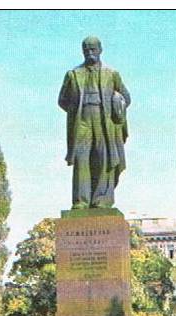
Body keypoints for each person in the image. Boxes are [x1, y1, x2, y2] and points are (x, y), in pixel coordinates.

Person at [58, 36, 131, 209]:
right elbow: (62, 100)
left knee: (103, 157)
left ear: (100, 50)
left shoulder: (111, 74)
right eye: (87, 50)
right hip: (82, 119)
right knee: (81, 158)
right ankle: (81, 201)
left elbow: (126, 97)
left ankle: (102, 199)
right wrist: (75, 111)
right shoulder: (73, 74)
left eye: (93, 49)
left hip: (104, 119)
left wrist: (116, 103)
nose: (90, 53)